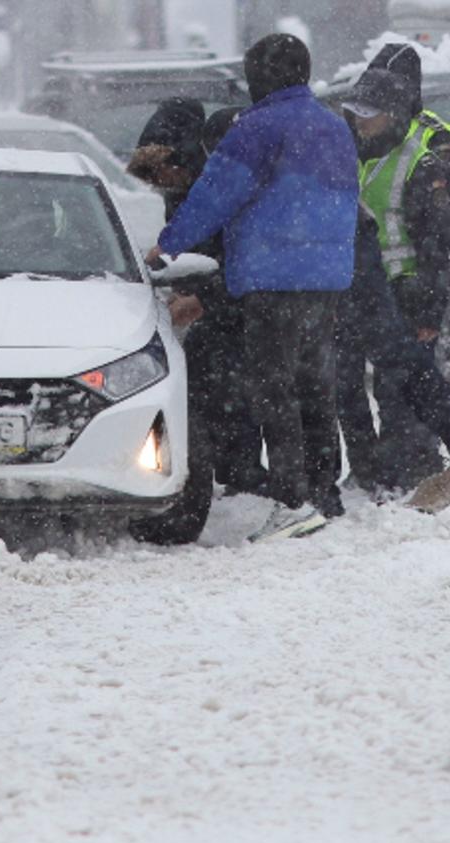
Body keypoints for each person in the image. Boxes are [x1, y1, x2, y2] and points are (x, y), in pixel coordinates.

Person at [149, 33, 359, 543]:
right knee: (315, 384)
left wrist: (168, 246)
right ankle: (323, 491)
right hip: (327, 276)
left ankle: (290, 501)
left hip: (272, 277)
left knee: (274, 390)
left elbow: (215, 193)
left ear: (257, 77)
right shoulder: (334, 126)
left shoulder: (256, 128)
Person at [337, 43, 450, 507]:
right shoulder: (355, 135)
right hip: (359, 282)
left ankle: (412, 464)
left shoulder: (431, 145)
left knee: (400, 383)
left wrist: (427, 296)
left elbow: (439, 232)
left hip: (409, 281)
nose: (361, 116)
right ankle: (372, 468)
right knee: (347, 382)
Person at [128, 101, 267, 498]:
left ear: (184, 157)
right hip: (222, 302)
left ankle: (245, 470)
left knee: (235, 380)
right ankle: (227, 467)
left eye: (165, 170)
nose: (161, 182)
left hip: (248, 298)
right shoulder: (182, 190)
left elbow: (239, 256)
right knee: (207, 375)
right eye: (153, 177)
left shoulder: (223, 187)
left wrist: (203, 297)